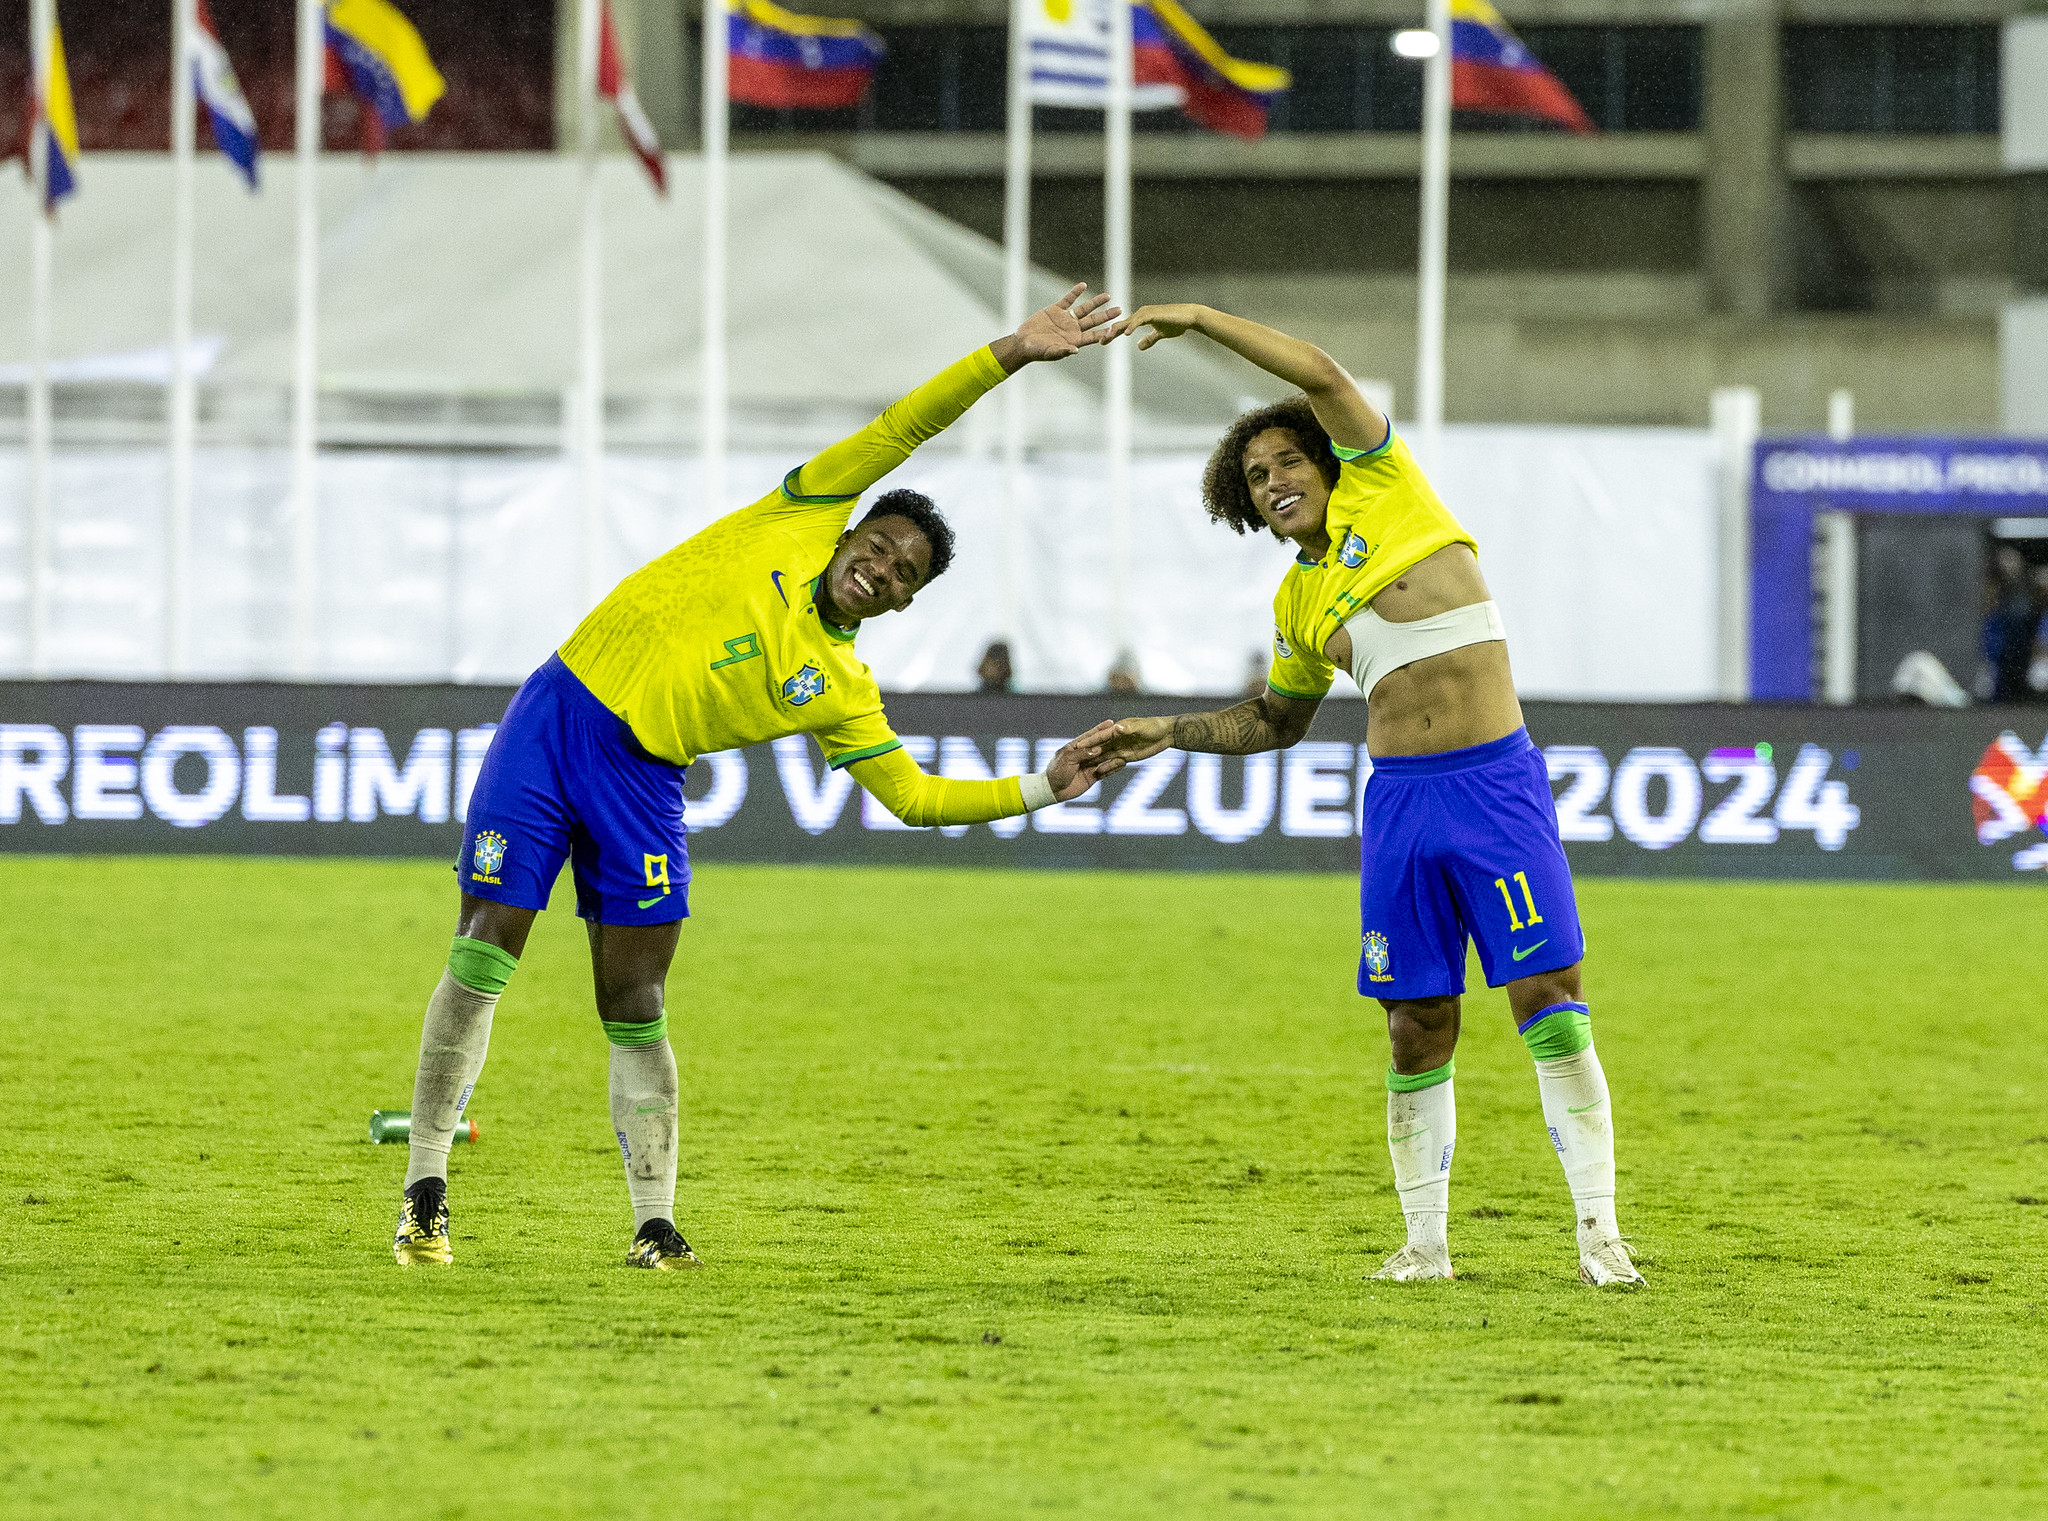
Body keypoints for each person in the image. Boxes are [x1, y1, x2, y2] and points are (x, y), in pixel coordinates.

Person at [392, 286, 1128, 1270]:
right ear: (850, 531)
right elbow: (905, 425)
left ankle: (653, 1223)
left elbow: (913, 797)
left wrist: (1041, 787)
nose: (882, 567)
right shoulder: (795, 512)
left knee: (635, 1001)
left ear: (904, 604)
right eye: (880, 545)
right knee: (486, 949)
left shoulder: (840, 687)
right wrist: (1011, 351)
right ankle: (425, 1193)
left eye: (903, 573)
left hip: (644, 782)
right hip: (555, 717)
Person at [1096, 303, 1641, 1288]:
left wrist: (1198, 320)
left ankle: (1599, 1237)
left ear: (1324, 457)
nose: (1273, 484)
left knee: (1549, 1004)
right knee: (1412, 1024)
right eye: (1255, 479)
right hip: (1399, 807)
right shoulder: (1295, 604)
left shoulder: (1389, 491)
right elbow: (1274, 720)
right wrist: (1162, 731)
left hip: (1493, 789)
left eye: (1284, 462)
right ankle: (1423, 1248)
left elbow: (1317, 369)